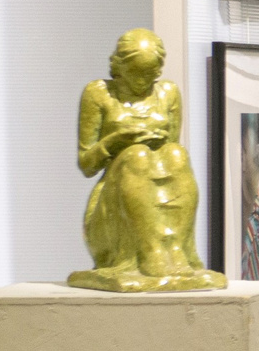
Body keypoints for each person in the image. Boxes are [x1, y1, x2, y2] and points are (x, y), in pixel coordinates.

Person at [69, 28, 224, 293]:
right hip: (113, 209)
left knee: (177, 155)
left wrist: (156, 139)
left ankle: (176, 250)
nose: (143, 81)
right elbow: (87, 164)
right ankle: (149, 251)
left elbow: (169, 158)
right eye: (135, 73)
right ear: (119, 66)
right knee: (136, 155)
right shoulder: (98, 93)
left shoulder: (167, 93)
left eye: (150, 74)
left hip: (155, 194)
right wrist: (115, 141)